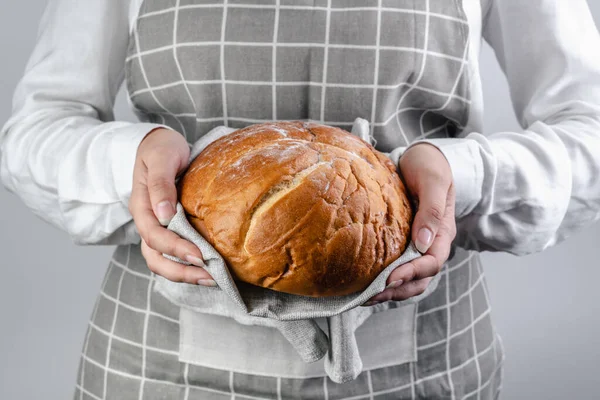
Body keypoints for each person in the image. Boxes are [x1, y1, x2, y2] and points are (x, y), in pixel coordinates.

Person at [2, 0, 599, 398]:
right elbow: (36, 130)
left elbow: (588, 129)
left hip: (421, 370)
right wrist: (133, 161)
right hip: (157, 369)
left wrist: (460, 174)